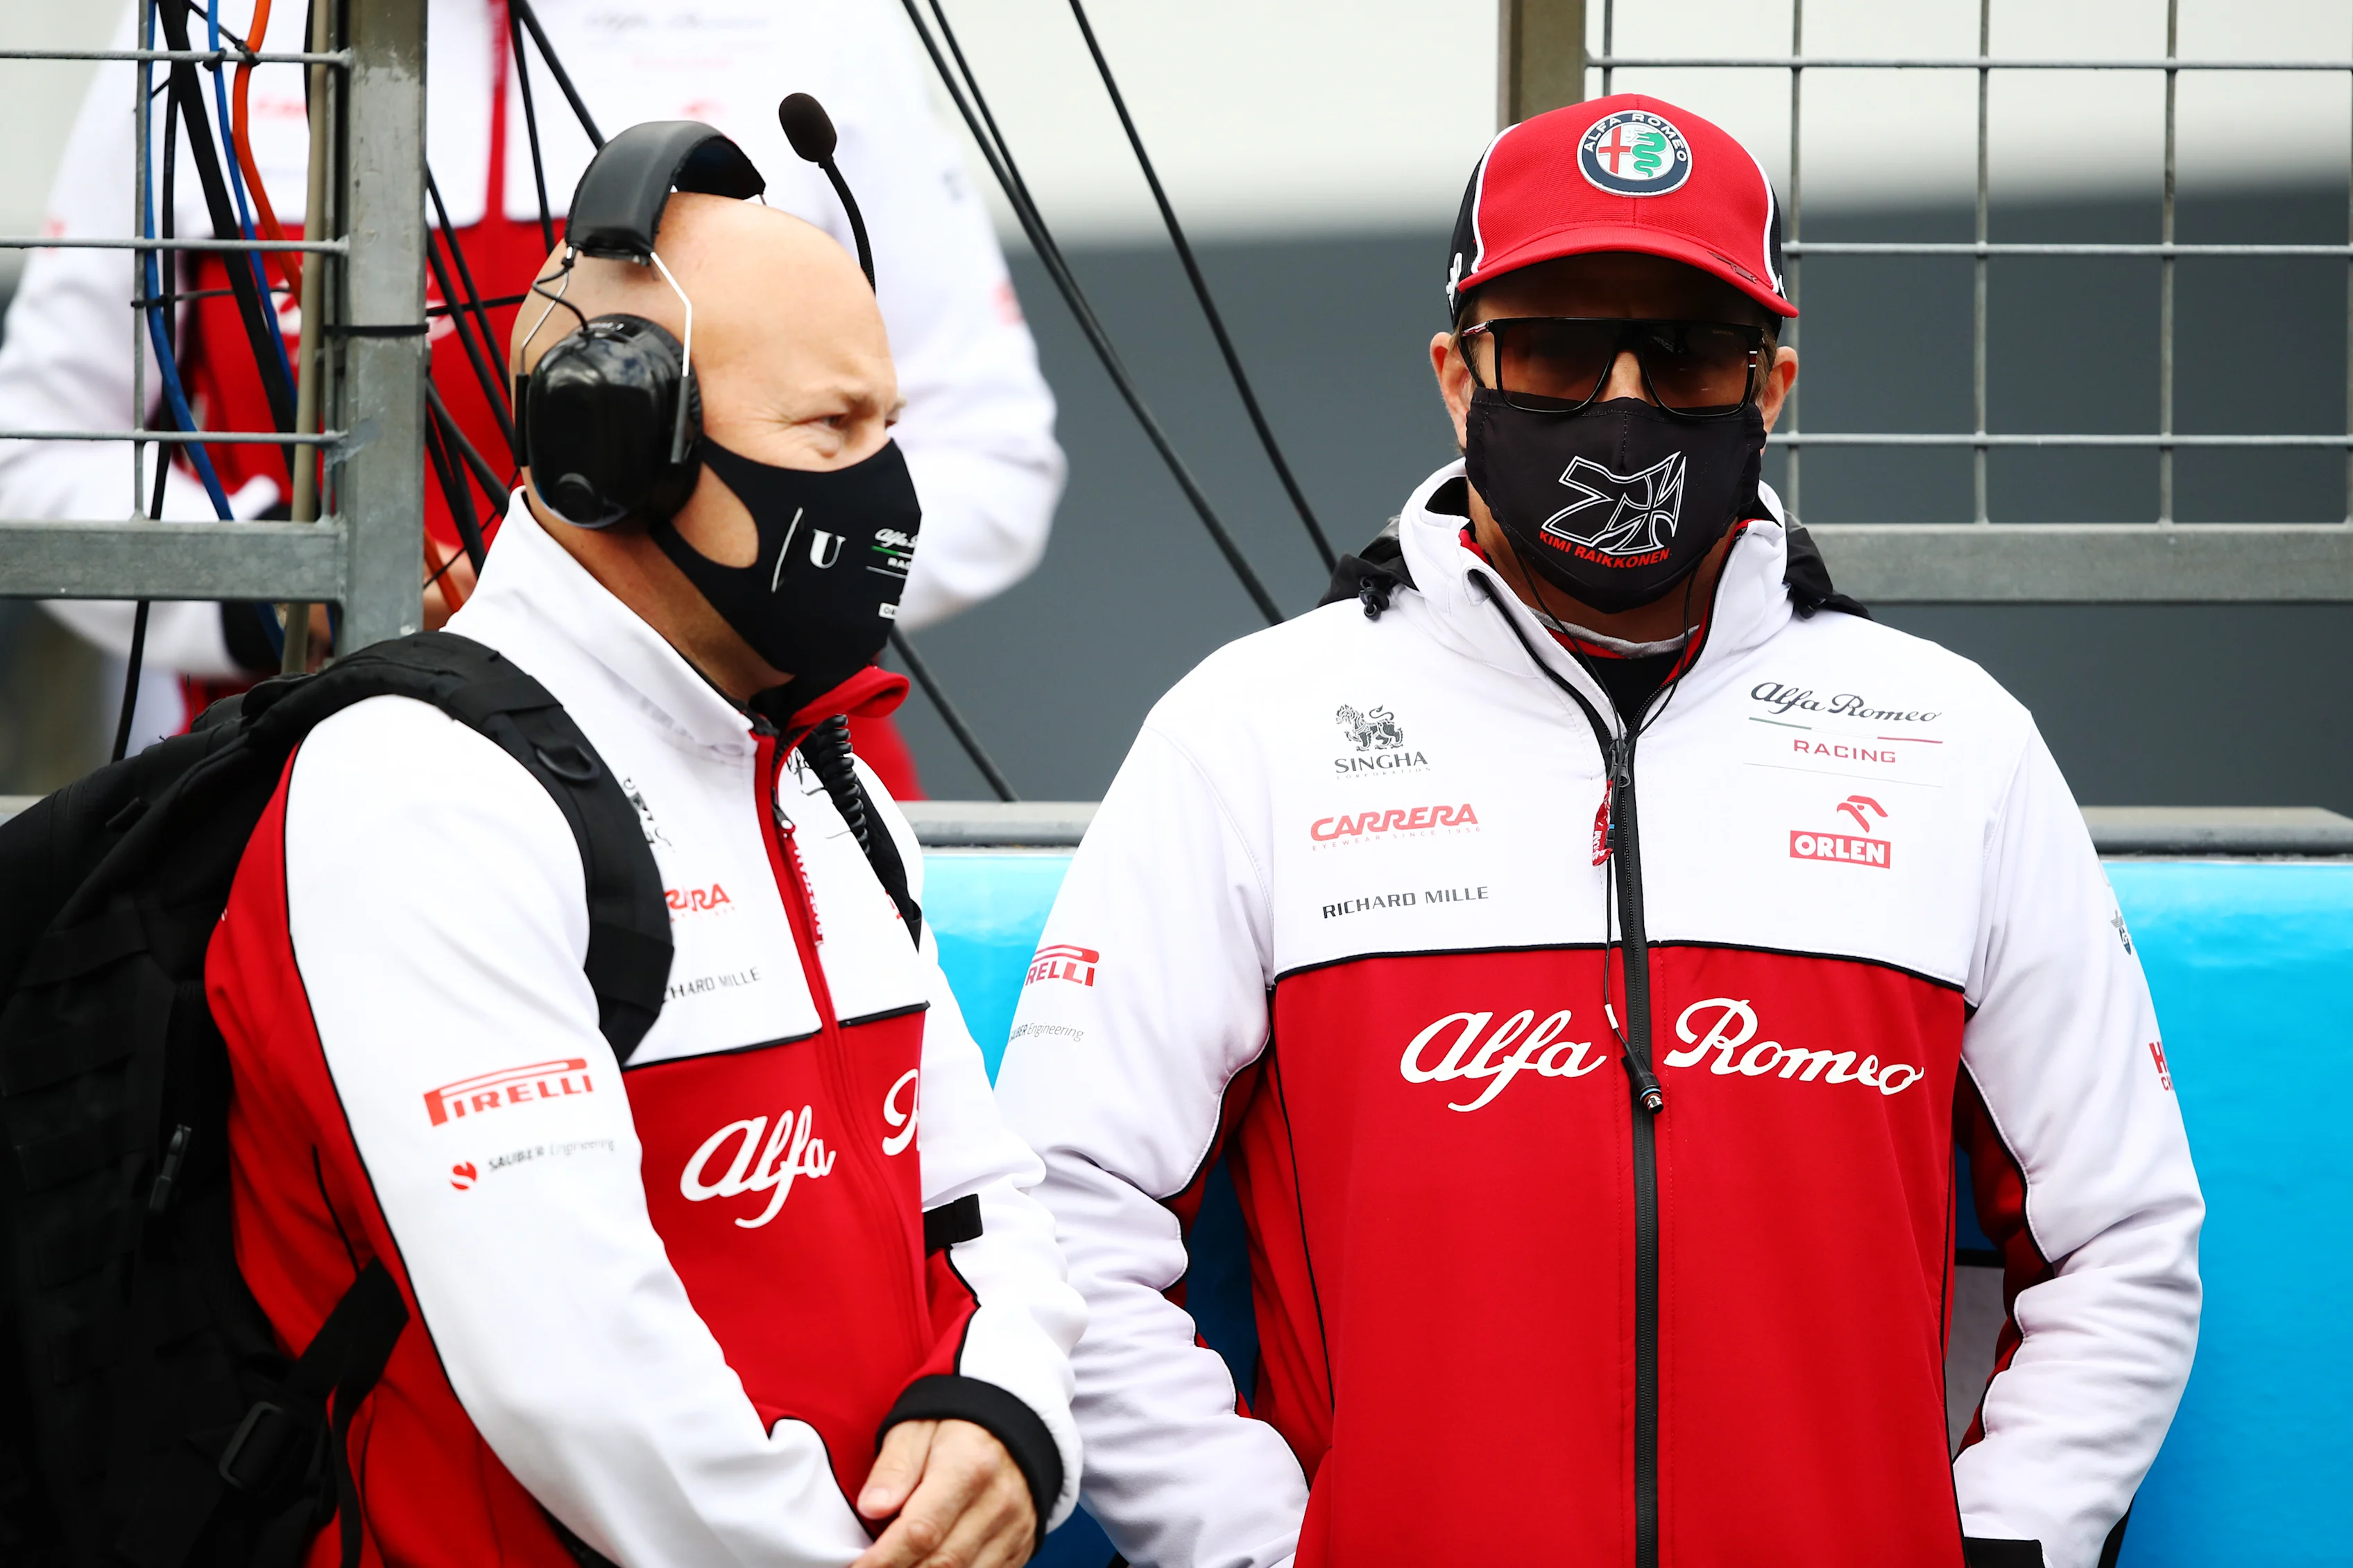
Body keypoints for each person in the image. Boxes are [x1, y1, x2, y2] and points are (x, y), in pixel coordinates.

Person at [994, 95, 2202, 1568]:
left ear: (1773, 385)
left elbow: (2122, 1238)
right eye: (1558, 347)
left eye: (1690, 354)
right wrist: (1255, 1550)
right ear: (1457, 375)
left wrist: (2008, 1543)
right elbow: (1065, 1205)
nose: (1622, 400)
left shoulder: (1955, 742)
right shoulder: (1250, 731)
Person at [205, 155, 1081, 1566]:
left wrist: (1007, 1408)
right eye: (831, 425)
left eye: (891, 422)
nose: (889, 482)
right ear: (609, 448)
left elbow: (978, 1190)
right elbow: (575, 1367)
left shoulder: (819, 773)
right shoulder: (423, 790)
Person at [0, 0, 1060, 789]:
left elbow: (990, 459)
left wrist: (697, 592)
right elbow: (36, 458)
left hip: (746, 779)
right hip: (303, 770)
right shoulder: (214, 26)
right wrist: (288, 593)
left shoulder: (810, 26)